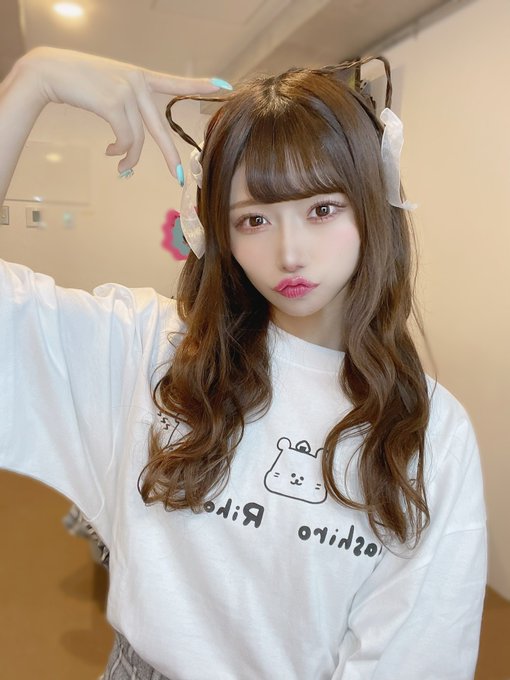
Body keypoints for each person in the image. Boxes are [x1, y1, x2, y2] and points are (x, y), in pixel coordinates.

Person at [0, 47, 487, 680]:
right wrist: (31, 81)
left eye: (322, 209)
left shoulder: (430, 429)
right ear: (218, 233)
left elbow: (417, 657)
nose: (290, 253)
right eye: (254, 219)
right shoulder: (152, 349)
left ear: (373, 204)